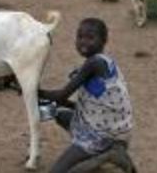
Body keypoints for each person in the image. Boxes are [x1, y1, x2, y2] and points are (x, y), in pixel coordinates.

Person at [39, 18, 133, 173]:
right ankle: (106, 154)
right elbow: (88, 107)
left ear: (104, 41)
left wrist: (35, 92)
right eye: (80, 37)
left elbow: (61, 95)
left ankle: (110, 156)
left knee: (57, 171)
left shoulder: (94, 64)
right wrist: (51, 102)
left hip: (102, 135)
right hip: (113, 130)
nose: (83, 42)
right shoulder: (104, 63)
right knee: (54, 112)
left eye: (90, 38)